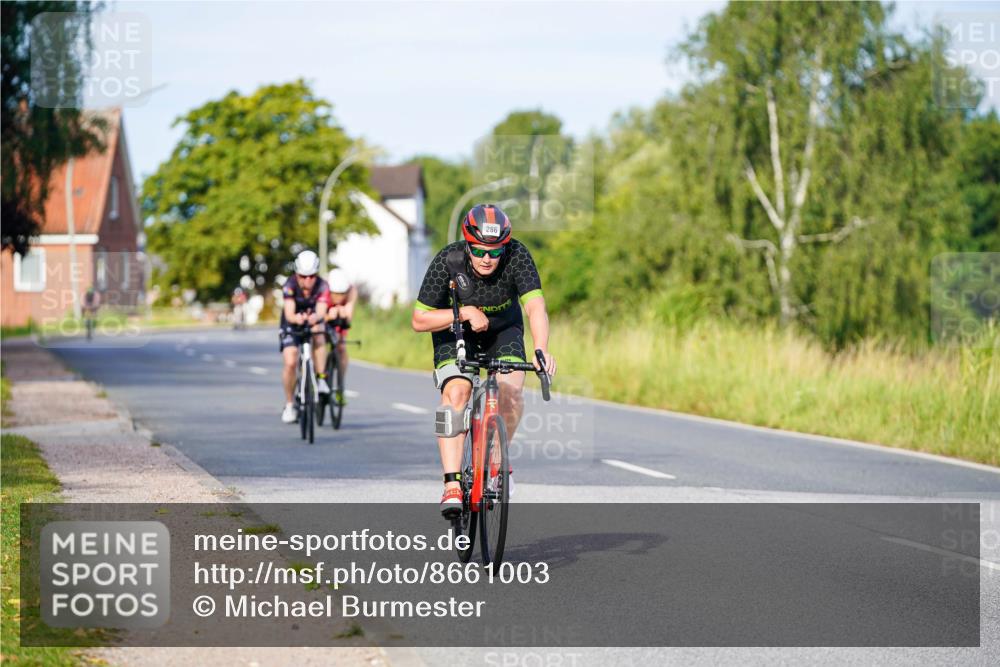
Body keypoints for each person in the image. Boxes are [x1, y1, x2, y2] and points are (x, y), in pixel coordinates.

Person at [411, 204, 556, 516]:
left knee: (512, 393)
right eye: (479, 251)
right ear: (467, 244)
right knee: (456, 392)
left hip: (503, 331)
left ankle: (497, 461)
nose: (487, 258)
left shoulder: (517, 255)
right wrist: (463, 312)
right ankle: (451, 483)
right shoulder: (448, 260)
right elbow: (419, 319)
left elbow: (535, 307)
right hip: (455, 331)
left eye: (495, 251)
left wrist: (541, 348)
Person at [279, 250, 331, 424]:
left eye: (312, 276)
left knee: (319, 332)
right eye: (303, 276)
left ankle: (321, 378)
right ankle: (289, 404)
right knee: (290, 361)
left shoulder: (323, 286)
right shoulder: (290, 284)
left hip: (312, 320)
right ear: (297, 274)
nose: (308, 280)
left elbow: (322, 311)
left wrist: (315, 318)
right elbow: (289, 313)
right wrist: (297, 318)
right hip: (292, 322)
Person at [324, 268, 358, 407]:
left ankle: (339, 385)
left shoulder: (352, 291)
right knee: (318, 342)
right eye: (336, 294)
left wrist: (343, 313)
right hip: (323, 317)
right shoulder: (323, 291)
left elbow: (348, 316)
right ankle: (317, 377)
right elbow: (317, 316)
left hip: (338, 320)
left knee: (342, 348)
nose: (339, 297)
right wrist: (327, 316)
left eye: (342, 294)